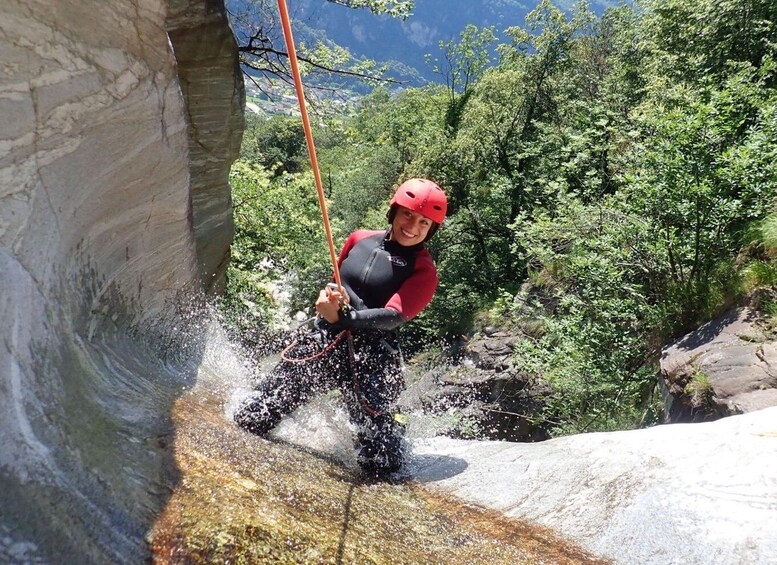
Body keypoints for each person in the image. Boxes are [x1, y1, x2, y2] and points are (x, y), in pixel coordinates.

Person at [234, 178, 447, 480]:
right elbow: (337, 279)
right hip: (325, 339)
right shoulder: (359, 239)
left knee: (381, 466)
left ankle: (391, 442)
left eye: (424, 223)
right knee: (254, 415)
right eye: (408, 214)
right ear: (394, 211)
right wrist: (329, 297)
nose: (413, 226)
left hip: (372, 359)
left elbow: (393, 315)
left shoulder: (423, 271)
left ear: (431, 230)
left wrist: (347, 320)